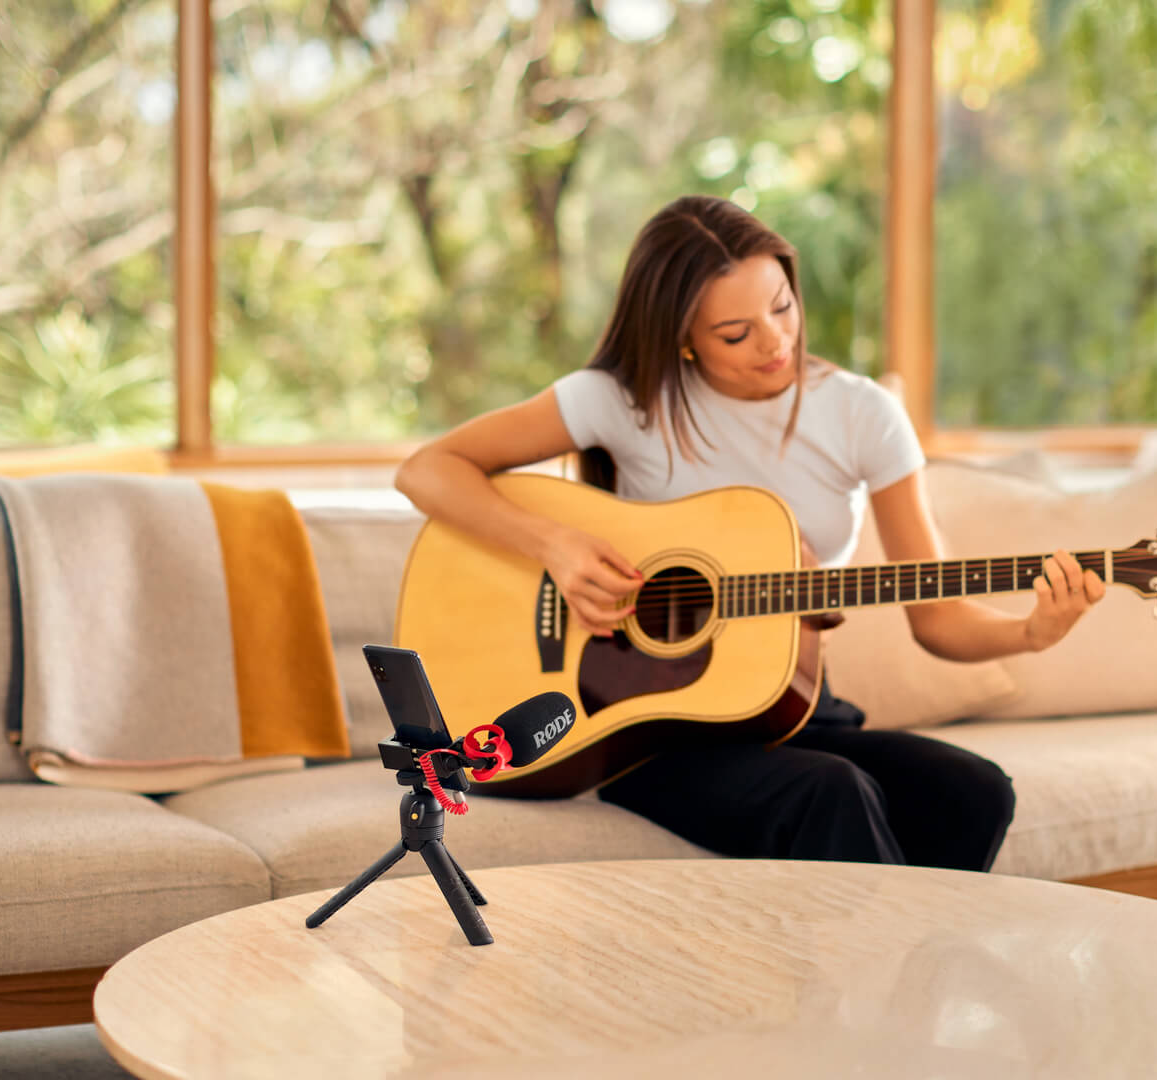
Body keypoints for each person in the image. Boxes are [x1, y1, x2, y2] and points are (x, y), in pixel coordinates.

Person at [395, 195, 1104, 872]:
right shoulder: (622, 400)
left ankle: (887, 986)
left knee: (973, 789)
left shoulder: (862, 415)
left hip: (787, 710)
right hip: (646, 730)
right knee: (830, 793)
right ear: (681, 338)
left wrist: (1031, 633)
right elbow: (428, 470)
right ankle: (882, 990)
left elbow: (938, 617)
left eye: (783, 307)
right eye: (736, 333)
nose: (776, 342)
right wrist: (558, 546)